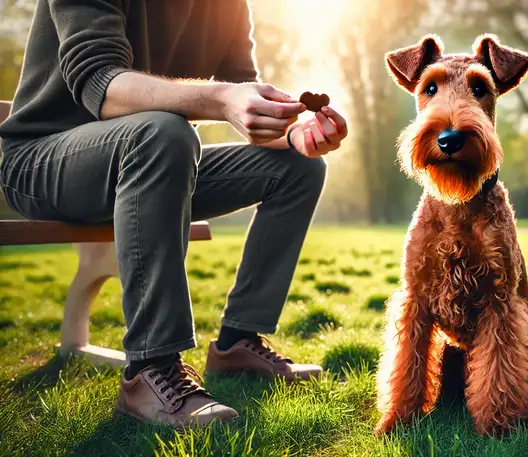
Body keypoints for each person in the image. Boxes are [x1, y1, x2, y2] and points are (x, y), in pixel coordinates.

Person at [0, 0, 348, 429]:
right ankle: (151, 367)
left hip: (152, 161)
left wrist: (297, 132)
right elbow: (100, 85)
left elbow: (242, 93)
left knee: (299, 167)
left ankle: (237, 342)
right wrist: (222, 98)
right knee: (164, 132)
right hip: (43, 162)